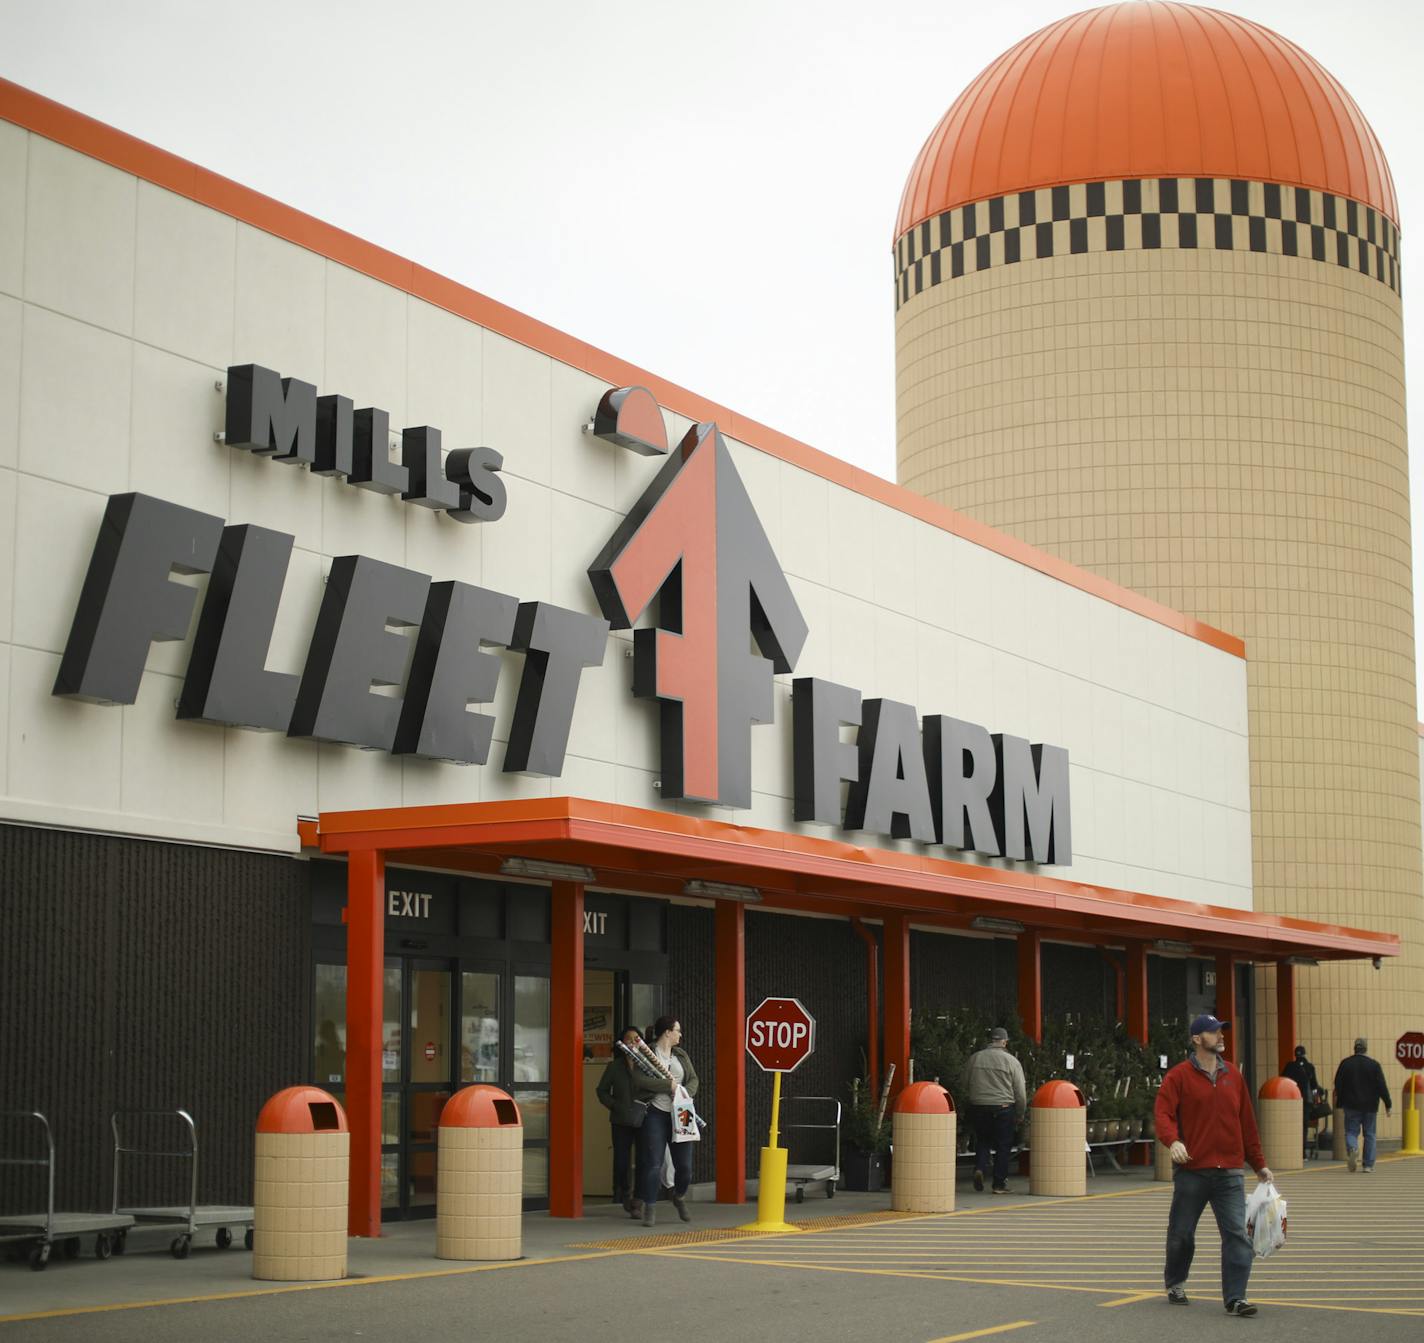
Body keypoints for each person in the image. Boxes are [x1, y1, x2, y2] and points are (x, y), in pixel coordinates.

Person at [1154, 1013, 1273, 1318]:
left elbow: (1247, 1123)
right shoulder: (1178, 1077)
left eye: (1221, 1031)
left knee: (1236, 1233)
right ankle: (1175, 1282)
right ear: (1197, 1039)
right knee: (1181, 1233)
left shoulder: (1233, 1075)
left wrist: (1259, 1164)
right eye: (1214, 1032)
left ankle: (1236, 1298)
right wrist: (1173, 1141)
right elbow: (1163, 1114)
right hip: (1193, 1171)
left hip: (1230, 1172)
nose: (1221, 1036)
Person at [634, 1015, 699, 1227]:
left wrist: (684, 1094)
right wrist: (667, 1086)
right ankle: (650, 1207)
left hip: (682, 1112)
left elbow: (693, 1079)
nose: (680, 1034)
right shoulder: (647, 1054)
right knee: (653, 1163)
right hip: (656, 1112)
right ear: (667, 1032)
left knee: (685, 1167)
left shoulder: (680, 1055)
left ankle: (679, 1196)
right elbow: (639, 1080)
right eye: (677, 1030)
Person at [961, 1026, 1026, 1194]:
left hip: (979, 1107)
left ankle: (979, 1168)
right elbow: (1020, 1091)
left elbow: (964, 1083)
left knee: (983, 1140)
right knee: (1003, 1146)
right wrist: (1020, 1113)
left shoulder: (975, 1058)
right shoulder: (1011, 1061)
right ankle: (998, 1184)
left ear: (991, 1040)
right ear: (1004, 1041)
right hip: (1003, 1108)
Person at [596, 1028, 647, 1217]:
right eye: (629, 1039)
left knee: (644, 1161)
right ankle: (624, 1192)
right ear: (622, 1043)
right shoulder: (614, 1066)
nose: (633, 1042)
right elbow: (601, 1091)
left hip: (644, 1119)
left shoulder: (647, 1065)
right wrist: (615, 1106)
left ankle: (638, 1201)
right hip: (621, 1120)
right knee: (621, 1162)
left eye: (637, 1039)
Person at [1333, 1037, 1393, 1173]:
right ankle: (1368, 1165)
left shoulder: (1345, 1064)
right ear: (1366, 1049)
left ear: (1355, 1048)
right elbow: (1382, 1086)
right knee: (1370, 1134)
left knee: (1351, 1132)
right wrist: (1388, 1104)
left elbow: (1338, 1084)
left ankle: (1353, 1148)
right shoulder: (1374, 1065)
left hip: (1351, 1105)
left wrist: (1339, 1102)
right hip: (1370, 1106)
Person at [1281, 1045, 1323, 1158]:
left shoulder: (1289, 1066)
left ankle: (1290, 1151)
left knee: (1290, 1126)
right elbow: (1314, 1085)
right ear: (1305, 1054)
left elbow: (1282, 1080)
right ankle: (1302, 1153)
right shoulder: (1309, 1067)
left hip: (1291, 1101)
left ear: (1295, 1055)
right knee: (1303, 1127)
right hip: (1306, 1101)